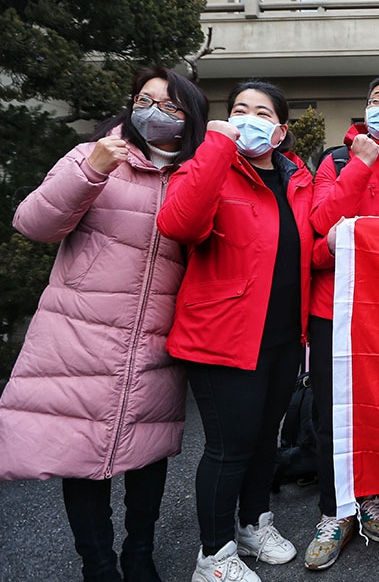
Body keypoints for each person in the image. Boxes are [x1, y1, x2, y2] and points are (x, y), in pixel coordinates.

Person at [0, 67, 207, 582]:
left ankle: (139, 556)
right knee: (80, 453)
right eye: (144, 100)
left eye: (170, 105)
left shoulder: (194, 173)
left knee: (148, 452)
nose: (154, 112)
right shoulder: (93, 155)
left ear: (190, 117)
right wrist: (90, 170)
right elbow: (33, 223)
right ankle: (97, 566)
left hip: (157, 338)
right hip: (80, 333)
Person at [157, 81, 314, 582]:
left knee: (266, 440)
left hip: (282, 336)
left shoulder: (296, 179)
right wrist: (217, 145)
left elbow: (310, 247)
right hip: (222, 336)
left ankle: (254, 525)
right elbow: (179, 224)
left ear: (280, 131)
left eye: (262, 113)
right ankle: (214, 554)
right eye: (239, 110)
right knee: (230, 448)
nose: (249, 119)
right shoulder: (210, 167)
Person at [304, 75, 379, 570]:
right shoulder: (337, 161)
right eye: (376, 100)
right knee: (332, 414)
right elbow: (319, 226)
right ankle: (335, 512)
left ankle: (371, 498)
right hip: (334, 309)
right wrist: (361, 164)